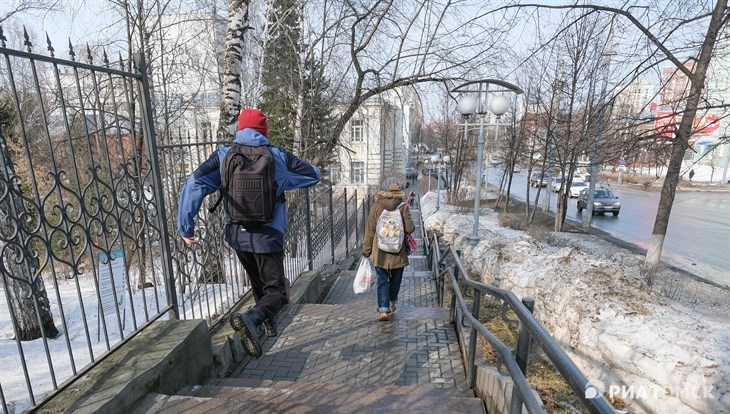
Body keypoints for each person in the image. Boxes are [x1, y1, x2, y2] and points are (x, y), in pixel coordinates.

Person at [177, 108, 321, 358]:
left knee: (259, 285)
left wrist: (185, 227)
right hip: (268, 236)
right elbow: (313, 175)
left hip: (238, 236)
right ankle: (252, 318)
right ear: (264, 132)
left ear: (240, 129)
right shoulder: (277, 157)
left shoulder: (223, 156)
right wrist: (284, 181)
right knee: (277, 294)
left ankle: (263, 325)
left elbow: (193, 185)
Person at [362, 179, 415, 322]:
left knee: (382, 281)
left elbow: (370, 231)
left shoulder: (376, 206)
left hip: (380, 253)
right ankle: (392, 302)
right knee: (395, 281)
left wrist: (366, 251)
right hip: (398, 253)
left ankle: (383, 310)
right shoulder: (403, 207)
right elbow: (410, 228)